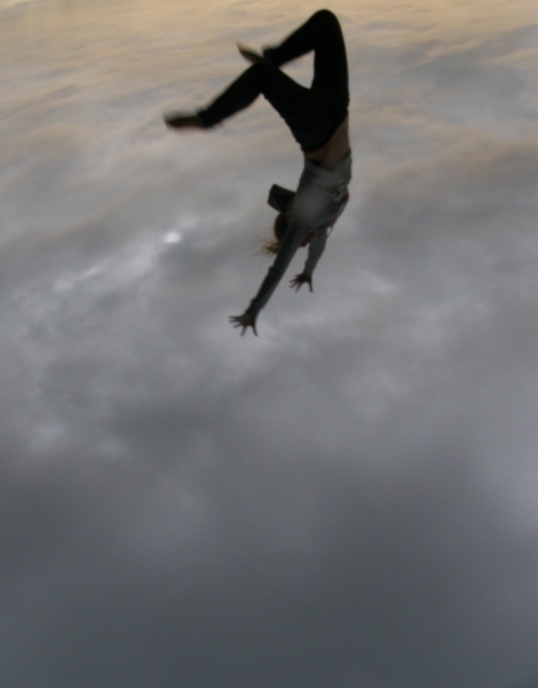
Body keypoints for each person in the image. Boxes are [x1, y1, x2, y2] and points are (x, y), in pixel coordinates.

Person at [164, 9, 352, 336]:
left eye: (299, 244)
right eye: (304, 245)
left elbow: (277, 269)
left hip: (317, 130)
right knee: (325, 23)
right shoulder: (322, 227)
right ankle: (273, 58)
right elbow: (317, 250)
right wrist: (308, 273)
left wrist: (253, 310)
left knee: (263, 74)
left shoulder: (300, 221)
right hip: (337, 108)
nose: (305, 244)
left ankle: (207, 118)